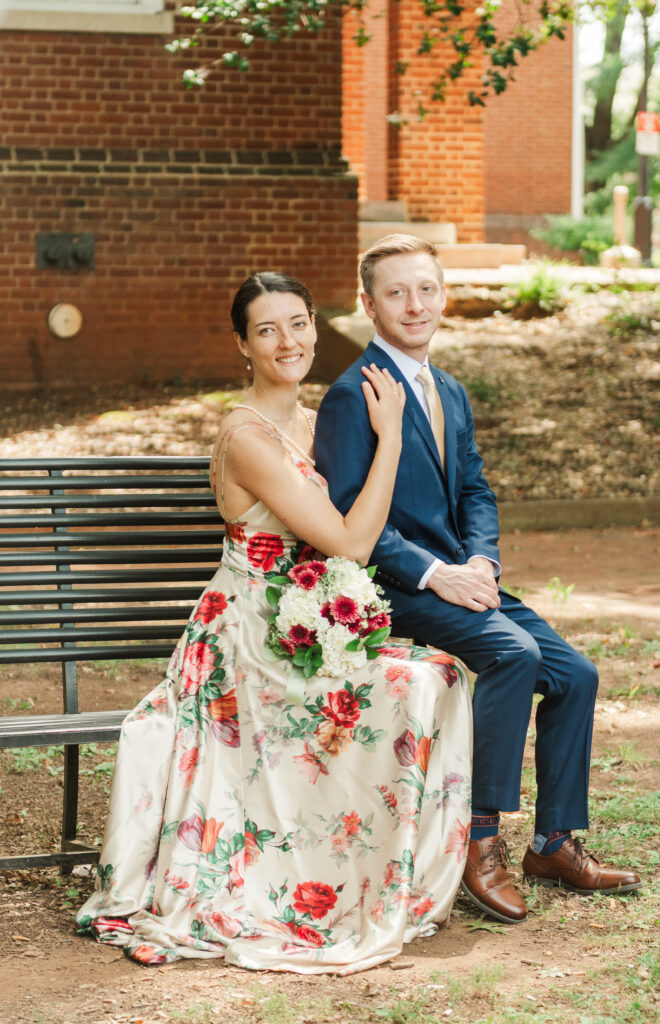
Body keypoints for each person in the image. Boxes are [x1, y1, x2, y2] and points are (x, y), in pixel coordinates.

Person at [76, 271, 473, 973]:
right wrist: (388, 438)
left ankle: (375, 869)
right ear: (243, 344)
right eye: (266, 330)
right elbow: (349, 540)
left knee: (434, 675)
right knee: (412, 684)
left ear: (316, 327)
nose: (286, 341)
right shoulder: (248, 436)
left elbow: (350, 540)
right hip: (247, 638)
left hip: (307, 614)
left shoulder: (311, 421)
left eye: (296, 324)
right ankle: (303, 874)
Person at [314, 235, 642, 926]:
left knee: (575, 674)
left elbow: (474, 492)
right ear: (367, 304)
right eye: (396, 292)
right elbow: (349, 518)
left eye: (426, 289)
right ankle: (479, 839)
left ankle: (551, 842)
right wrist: (435, 574)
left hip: (465, 579)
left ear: (443, 295)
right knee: (512, 653)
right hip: (394, 589)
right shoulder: (353, 395)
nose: (414, 304)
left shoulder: (448, 390)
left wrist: (482, 561)